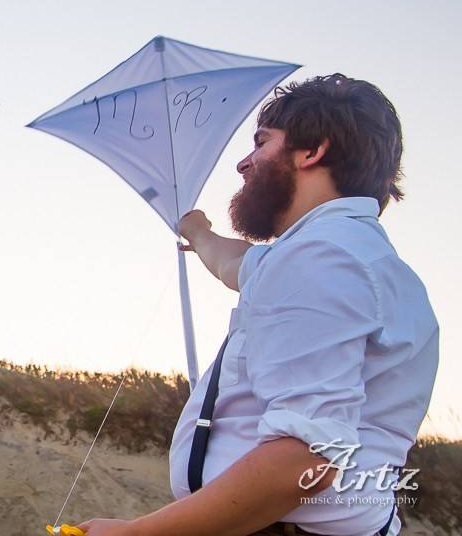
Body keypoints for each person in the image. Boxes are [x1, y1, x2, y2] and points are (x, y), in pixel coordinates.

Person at [76, 74, 439, 535]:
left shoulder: (321, 259)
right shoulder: (351, 256)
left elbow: (305, 458)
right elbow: (239, 265)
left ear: (312, 151)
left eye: (262, 142)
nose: (244, 164)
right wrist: (199, 232)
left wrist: (135, 533)